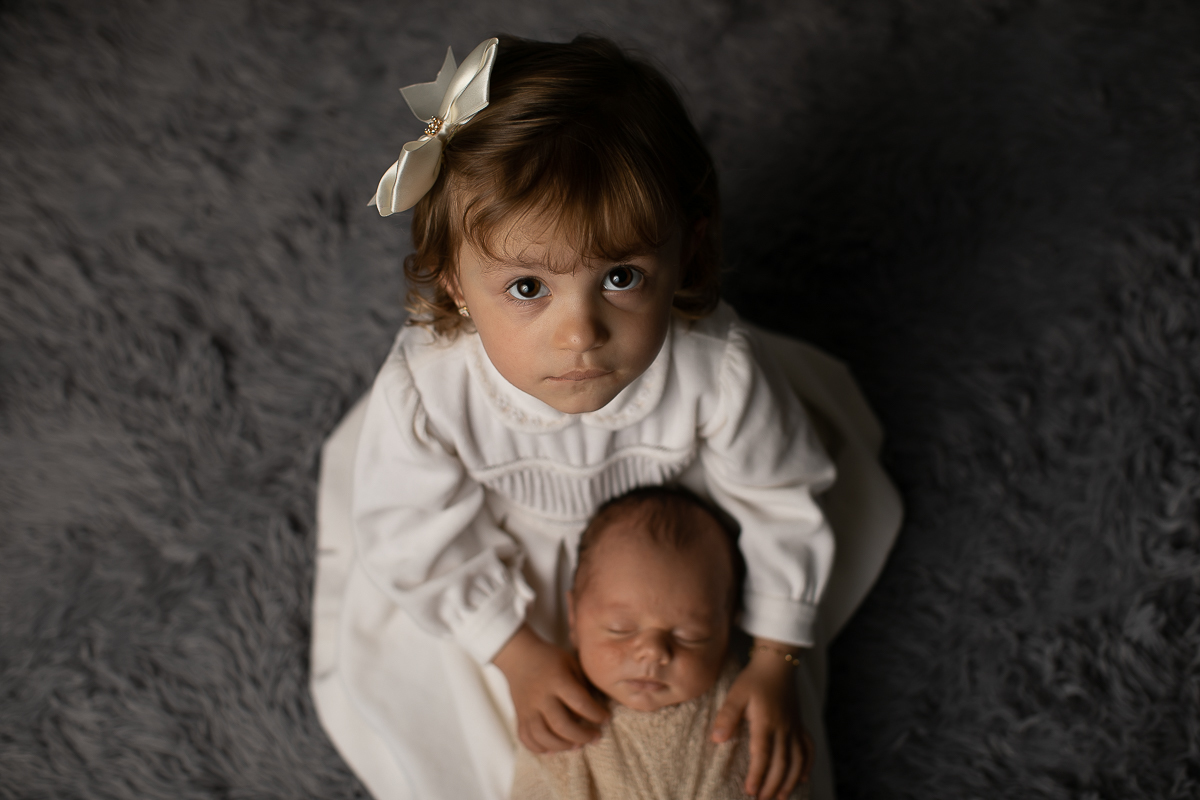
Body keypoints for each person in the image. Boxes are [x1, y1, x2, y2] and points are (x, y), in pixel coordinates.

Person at [309, 34, 903, 800]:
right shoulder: (430, 392)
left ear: (685, 256)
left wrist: (774, 659)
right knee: (474, 737)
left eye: (621, 276)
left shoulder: (714, 367)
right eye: (528, 288)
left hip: (675, 535)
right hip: (504, 550)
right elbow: (412, 534)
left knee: (747, 746)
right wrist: (515, 650)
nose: (580, 332)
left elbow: (777, 500)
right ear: (454, 280)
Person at [511, 485, 809, 800]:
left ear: (728, 626)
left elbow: (782, 774)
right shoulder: (558, 707)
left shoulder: (749, 704)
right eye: (620, 628)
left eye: (690, 635)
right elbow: (533, 784)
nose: (653, 652)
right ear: (573, 617)